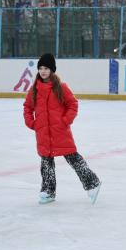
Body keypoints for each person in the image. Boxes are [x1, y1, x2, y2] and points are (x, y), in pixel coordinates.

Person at [23, 53, 101, 205]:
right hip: (43, 133)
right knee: (46, 162)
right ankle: (48, 191)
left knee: (73, 157)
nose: (43, 71)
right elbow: (27, 107)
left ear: (52, 70)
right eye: (40, 68)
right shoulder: (35, 90)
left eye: (46, 68)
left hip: (60, 131)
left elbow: (73, 104)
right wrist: (32, 123)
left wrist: (65, 121)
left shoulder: (61, 87)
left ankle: (93, 183)